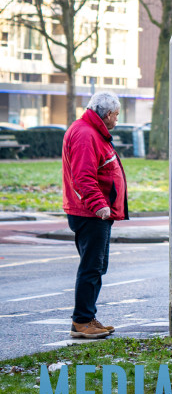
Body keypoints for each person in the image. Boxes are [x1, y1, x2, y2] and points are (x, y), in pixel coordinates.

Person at [62, 92, 128, 339]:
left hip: (95, 212)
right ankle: (81, 321)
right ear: (108, 114)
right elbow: (83, 176)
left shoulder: (91, 131)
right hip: (90, 213)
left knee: (97, 266)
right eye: (117, 114)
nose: (117, 119)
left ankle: (87, 316)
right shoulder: (86, 134)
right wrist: (99, 205)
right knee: (91, 267)